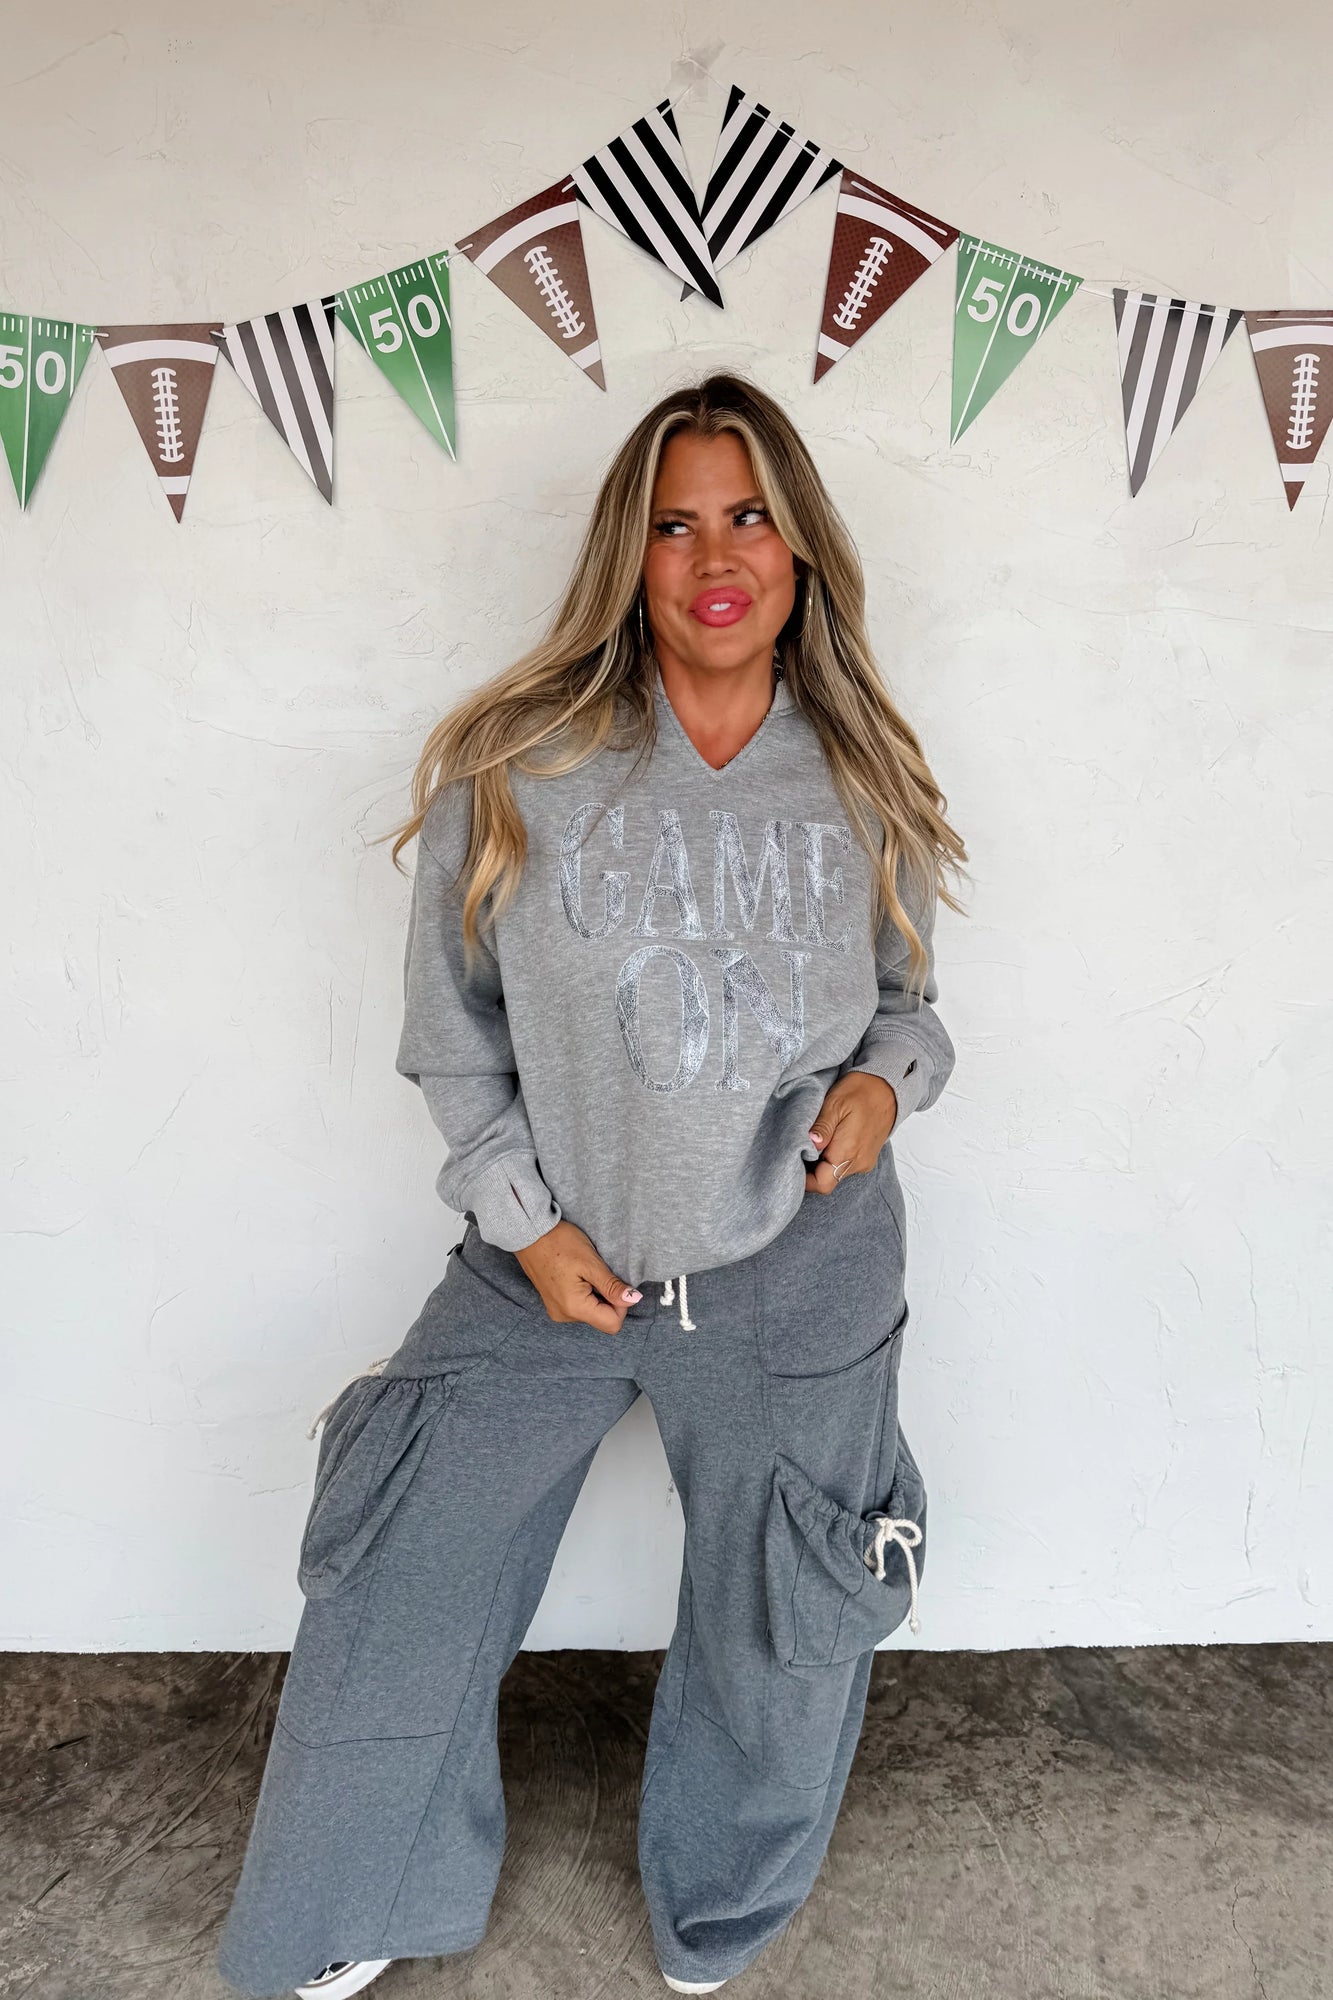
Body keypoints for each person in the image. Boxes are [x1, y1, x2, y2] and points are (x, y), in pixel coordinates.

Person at [216, 371, 967, 2000]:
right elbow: (452, 1036)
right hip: (547, 1265)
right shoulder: (519, 763)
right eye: (672, 525)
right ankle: (360, 1888)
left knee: (782, 1614)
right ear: (626, 557)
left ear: (800, 549)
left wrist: (879, 1088)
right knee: (402, 1558)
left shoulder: (860, 772)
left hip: (799, 1270)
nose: (716, 556)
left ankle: (720, 1911)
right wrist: (525, 1224)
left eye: (748, 516)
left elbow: (908, 1012)